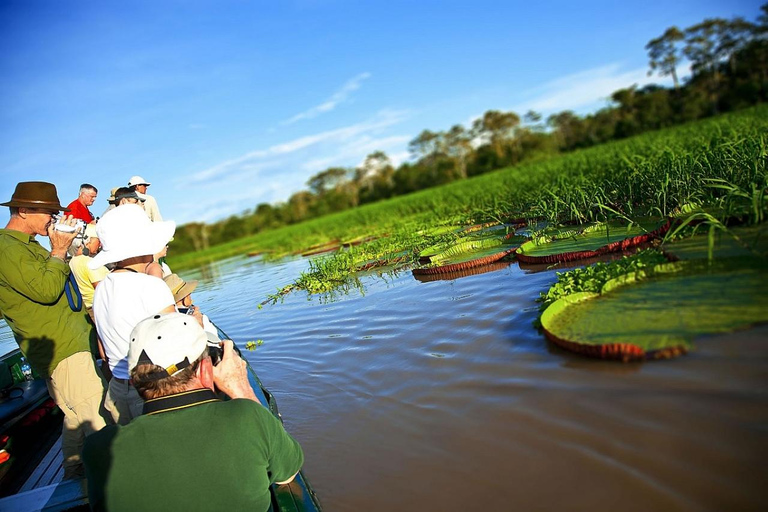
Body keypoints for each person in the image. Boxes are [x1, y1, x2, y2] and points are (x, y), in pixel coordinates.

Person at [83, 313, 304, 512]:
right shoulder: (249, 416)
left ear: (133, 382)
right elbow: (288, 472)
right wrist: (242, 390)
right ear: (205, 369)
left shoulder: (99, 449)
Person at [0, 181, 109, 479]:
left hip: (68, 346)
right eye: (48, 211)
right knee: (100, 424)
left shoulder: (26, 245)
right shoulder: (5, 248)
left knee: (75, 419)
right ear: (22, 210)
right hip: (63, 351)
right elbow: (47, 290)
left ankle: (73, 482)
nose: (52, 217)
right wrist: (59, 249)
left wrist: (55, 249)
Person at [90, 204, 176, 425]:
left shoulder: (101, 288)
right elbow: (177, 344)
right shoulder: (150, 286)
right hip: (150, 389)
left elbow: (103, 349)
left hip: (118, 389)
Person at [163, 273, 217, 339]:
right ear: (185, 298)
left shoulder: (164, 317)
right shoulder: (199, 317)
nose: (190, 296)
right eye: (189, 294)